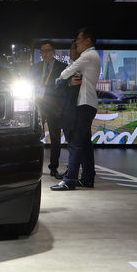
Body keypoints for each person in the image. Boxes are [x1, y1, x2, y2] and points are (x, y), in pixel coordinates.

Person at [51, 27, 101, 191]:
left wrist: (59, 80)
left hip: (83, 104)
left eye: (78, 40)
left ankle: (70, 180)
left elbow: (65, 74)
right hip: (89, 103)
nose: (77, 44)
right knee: (85, 143)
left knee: (76, 143)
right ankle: (87, 178)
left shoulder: (87, 56)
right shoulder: (93, 56)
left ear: (87, 41)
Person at [31, 40, 68, 178]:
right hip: (37, 106)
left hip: (53, 107)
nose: (44, 54)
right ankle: (33, 166)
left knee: (55, 138)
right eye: (42, 51)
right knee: (33, 136)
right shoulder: (34, 68)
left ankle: (54, 168)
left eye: (47, 51)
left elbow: (64, 89)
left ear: (53, 52)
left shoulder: (62, 67)